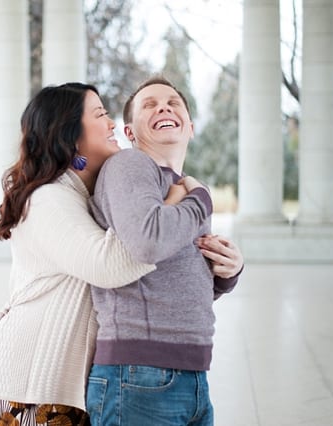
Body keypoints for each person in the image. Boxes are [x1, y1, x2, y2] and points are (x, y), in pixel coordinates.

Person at [0, 82, 190, 425]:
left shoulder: (84, 194)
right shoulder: (48, 199)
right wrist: (174, 205)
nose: (111, 124)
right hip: (31, 387)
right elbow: (111, 264)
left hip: (61, 387)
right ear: (71, 135)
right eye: (100, 114)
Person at [85, 76, 244, 426]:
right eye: (149, 104)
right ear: (130, 133)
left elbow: (173, 279)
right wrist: (201, 200)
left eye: (173, 102)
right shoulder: (132, 166)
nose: (163, 107)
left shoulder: (181, 187)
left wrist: (226, 273)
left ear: (190, 127)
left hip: (188, 373)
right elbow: (149, 242)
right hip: (138, 375)